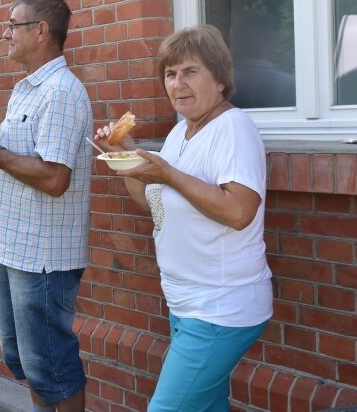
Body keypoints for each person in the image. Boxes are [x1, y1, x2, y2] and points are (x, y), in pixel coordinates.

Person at [95, 25, 272, 412]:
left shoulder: (233, 128)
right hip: (184, 302)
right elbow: (152, 203)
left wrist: (167, 173)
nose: (178, 84)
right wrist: (128, 156)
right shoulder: (180, 133)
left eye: (190, 71)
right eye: (170, 74)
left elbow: (240, 211)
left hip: (221, 306)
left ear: (221, 79)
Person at [0, 0, 92, 412]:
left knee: (52, 365)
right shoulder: (29, 89)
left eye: (14, 24)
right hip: (17, 248)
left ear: (42, 31)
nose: (5, 32)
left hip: (43, 255)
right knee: (24, 360)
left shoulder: (61, 92)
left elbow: (53, 177)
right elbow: (22, 150)